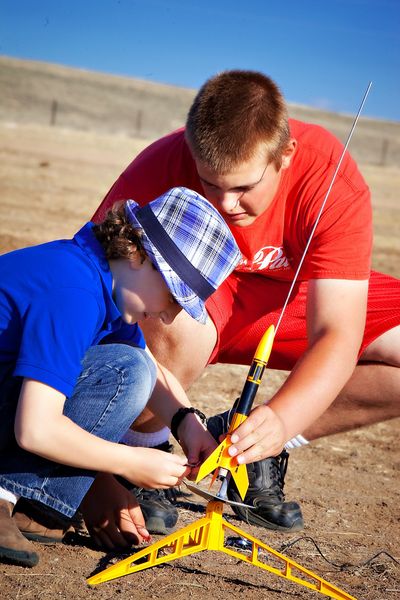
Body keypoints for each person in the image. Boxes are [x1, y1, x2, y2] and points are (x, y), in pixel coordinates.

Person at [84, 69, 400, 536]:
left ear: (285, 155)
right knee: (160, 312)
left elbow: (337, 330)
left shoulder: (331, 179)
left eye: (244, 187)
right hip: (206, 301)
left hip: (299, 297)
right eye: (210, 184)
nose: (227, 203)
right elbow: (100, 291)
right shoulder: (158, 166)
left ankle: (258, 449)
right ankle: (143, 454)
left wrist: (284, 417)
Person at [0, 186, 241, 567]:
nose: (168, 317)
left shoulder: (99, 280)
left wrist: (188, 426)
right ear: (137, 253)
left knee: (133, 366)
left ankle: (34, 501)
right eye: (174, 298)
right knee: (125, 370)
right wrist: (127, 462)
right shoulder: (73, 291)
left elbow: (150, 368)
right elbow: (35, 429)